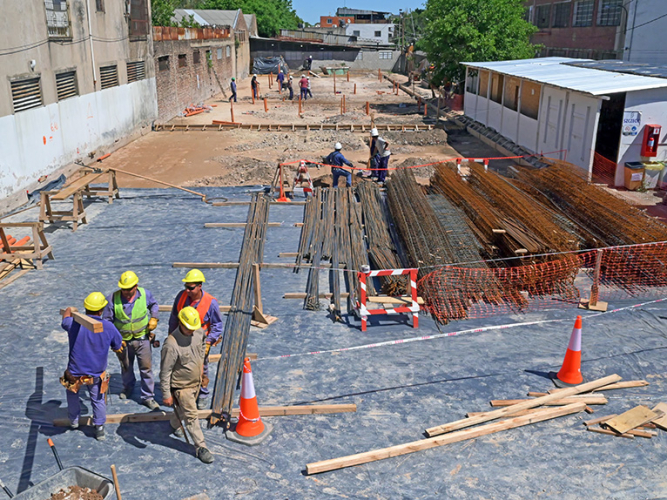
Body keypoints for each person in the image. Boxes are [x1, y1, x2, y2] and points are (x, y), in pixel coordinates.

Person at [60, 293, 124, 441]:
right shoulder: (108, 327)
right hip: (95, 373)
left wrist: (71, 309)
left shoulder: (74, 324)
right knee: (98, 399)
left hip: (74, 371)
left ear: (86, 308)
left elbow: (66, 319)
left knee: (72, 395)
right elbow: (117, 345)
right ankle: (99, 428)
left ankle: (74, 421)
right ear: (101, 310)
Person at [160, 306, 214, 464]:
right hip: (182, 388)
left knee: (182, 411)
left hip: (196, 383)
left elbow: (203, 342)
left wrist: (202, 366)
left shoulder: (198, 332)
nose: (191, 331)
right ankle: (201, 447)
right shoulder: (171, 344)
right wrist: (166, 394)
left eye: (193, 328)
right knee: (191, 416)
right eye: (188, 328)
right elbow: (165, 372)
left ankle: (173, 424)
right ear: (181, 323)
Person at [102, 271, 160, 409]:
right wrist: (115, 340)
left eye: (129, 289)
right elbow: (107, 322)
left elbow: (154, 305)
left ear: (136, 286)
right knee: (126, 367)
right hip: (123, 341)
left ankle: (148, 397)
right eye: (124, 289)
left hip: (142, 339)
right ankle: (128, 387)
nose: (126, 292)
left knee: (146, 368)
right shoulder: (112, 299)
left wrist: (154, 317)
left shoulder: (145, 294)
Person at [168, 269, 223, 410]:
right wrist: (171, 336)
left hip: (200, 342)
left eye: (191, 288)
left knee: (201, 368)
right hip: (181, 339)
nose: (187, 290)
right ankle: (187, 391)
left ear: (199, 286)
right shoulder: (181, 297)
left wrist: (209, 341)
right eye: (186, 287)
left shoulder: (210, 303)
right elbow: (174, 317)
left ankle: (202, 393)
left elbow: (217, 325)